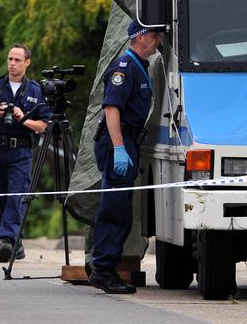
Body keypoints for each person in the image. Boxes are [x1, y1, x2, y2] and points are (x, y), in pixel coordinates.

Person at [88, 20, 162, 294]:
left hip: (128, 140)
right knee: (114, 208)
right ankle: (103, 270)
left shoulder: (140, 66)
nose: (158, 40)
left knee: (122, 209)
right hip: (117, 142)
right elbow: (111, 109)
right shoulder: (123, 68)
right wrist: (119, 148)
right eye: (154, 35)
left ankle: (107, 266)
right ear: (139, 37)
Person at [0, 44, 50, 262]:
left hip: (21, 150)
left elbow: (44, 125)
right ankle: (15, 240)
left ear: (27, 63)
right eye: (10, 59)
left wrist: (23, 118)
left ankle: (8, 240)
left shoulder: (36, 91)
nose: (12, 63)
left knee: (16, 195)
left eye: (17, 60)